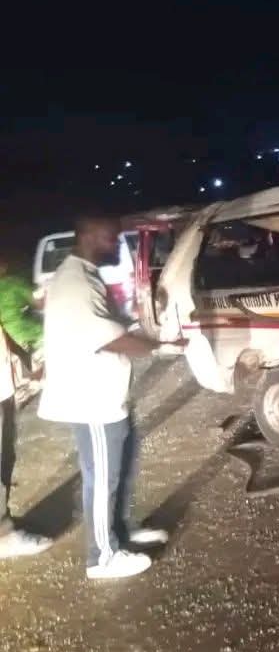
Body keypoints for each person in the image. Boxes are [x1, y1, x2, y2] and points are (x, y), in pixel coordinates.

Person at [38, 214, 186, 579]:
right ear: (88, 237)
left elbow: (112, 327)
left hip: (105, 397)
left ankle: (118, 533)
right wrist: (162, 345)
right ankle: (101, 557)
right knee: (102, 478)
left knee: (116, 474)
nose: (115, 246)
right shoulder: (75, 282)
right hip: (93, 402)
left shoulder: (83, 275)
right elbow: (113, 339)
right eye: (109, 239)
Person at [0, 315, 53, 558]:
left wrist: (19, 355)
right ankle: (4, 537)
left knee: (6, 457)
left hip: (4, 390)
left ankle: (3, 520)